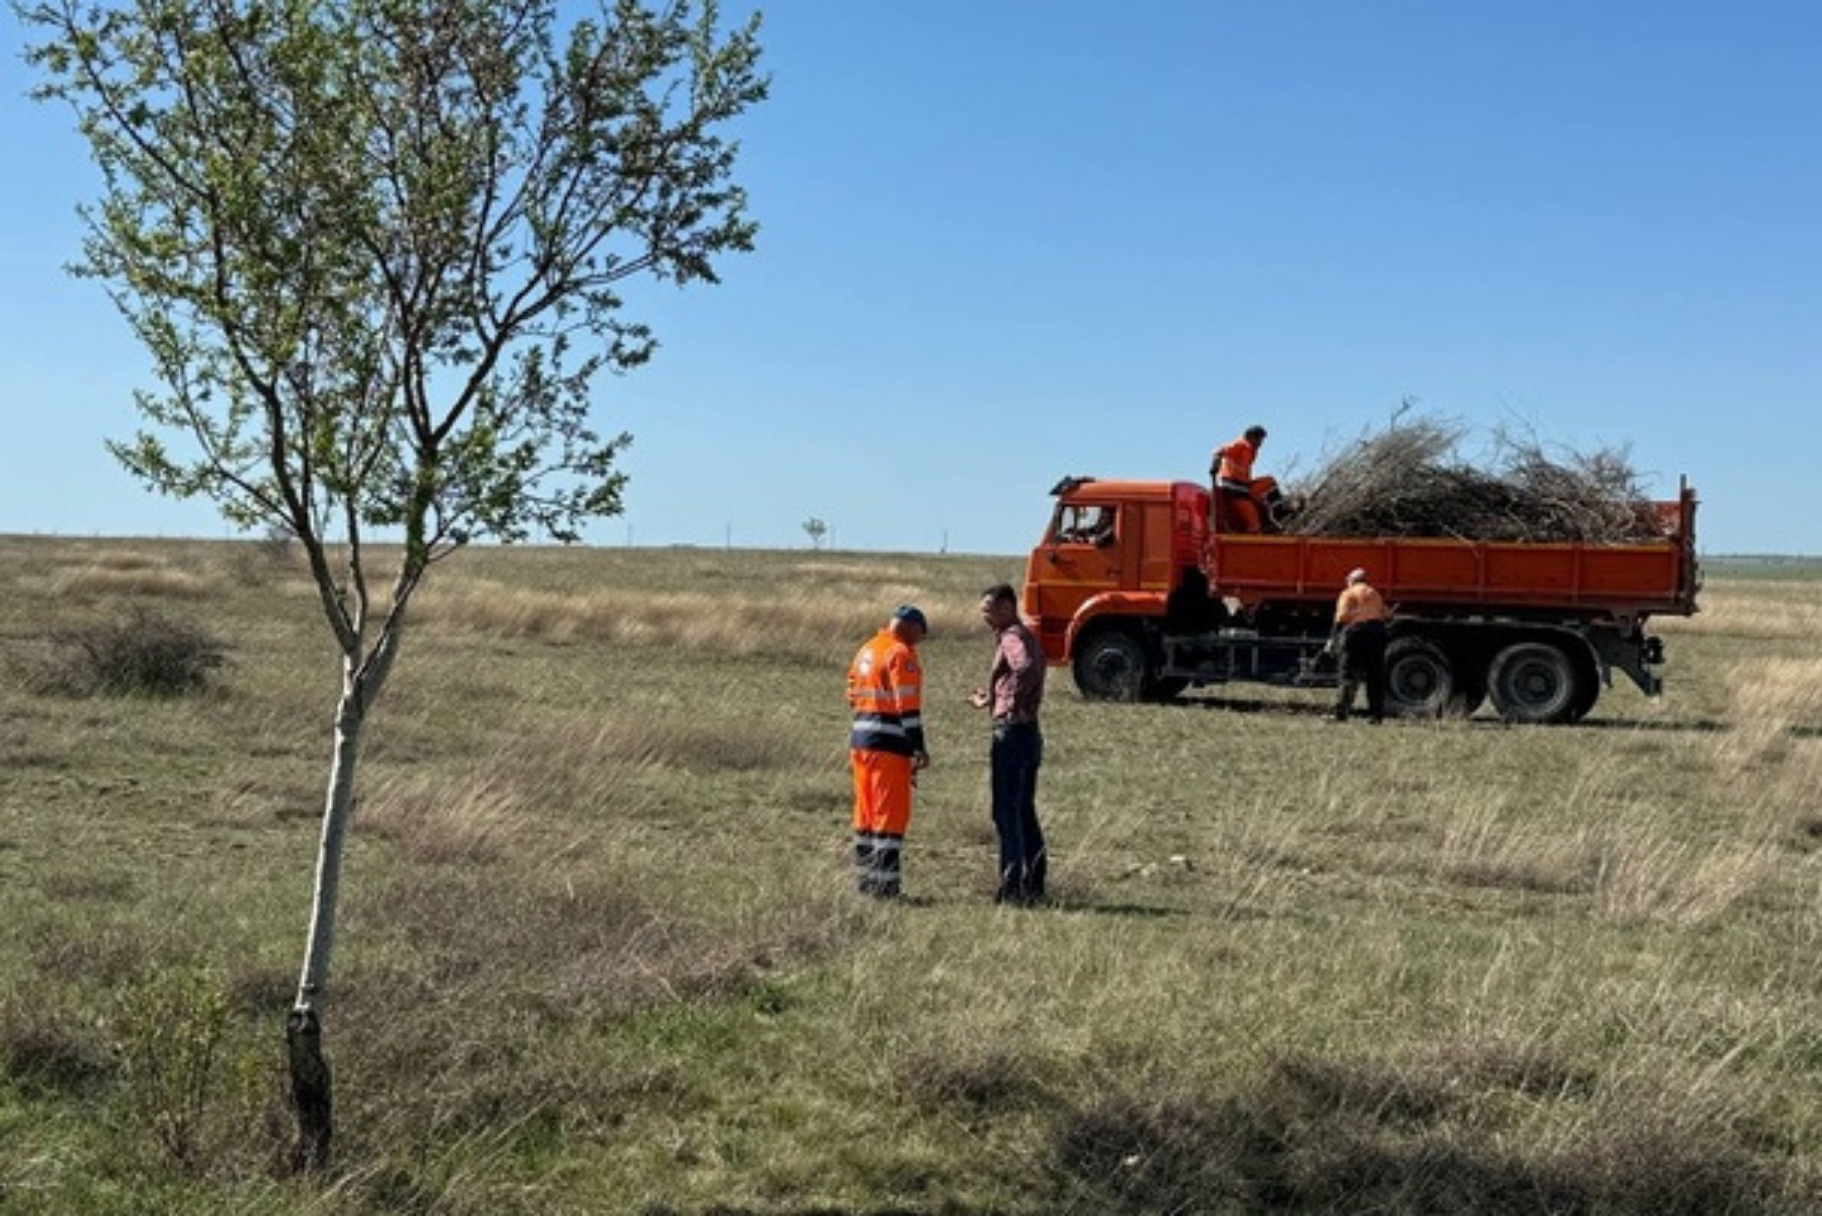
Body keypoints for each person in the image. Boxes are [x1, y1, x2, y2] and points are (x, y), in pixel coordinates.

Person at [968, 583, 1048, 905]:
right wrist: (994, 698)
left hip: (1012, 733)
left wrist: (1010, 705)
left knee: (1006, 813)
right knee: (1024, 810)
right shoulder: (1025, 634)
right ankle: (1034, 883)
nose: (984, 615)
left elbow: (1025, 668)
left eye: (988, 609)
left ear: (1006, 607)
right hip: (1029, 732)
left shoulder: (1012, 637)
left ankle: (1012, 888)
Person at [847, 604, 930, 898]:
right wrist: (918, 747)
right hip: (889, 748)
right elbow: (907, 707)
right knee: (889, 816)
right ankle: (886, 888)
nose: (919, 640)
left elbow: (851, 694)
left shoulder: (866, 650)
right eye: (920, 633)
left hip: (860, 744)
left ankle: (866, 884)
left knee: (865, 815)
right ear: (908, 626)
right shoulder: (900, 654)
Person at [1330, 568, 1392, 722]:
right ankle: (1376, 716)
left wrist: (1333, 639)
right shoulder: (1374, 593)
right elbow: (1387, 615)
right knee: (1374, 677)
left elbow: (1341, 618)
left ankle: (1341, 714)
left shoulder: (1348, 593)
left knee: (1348, 675)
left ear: (1352, 580)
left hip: (1356, 635)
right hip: (1377, 634)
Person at [1211, 425, 1269, 533]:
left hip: (1244, 487)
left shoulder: (1252, 450)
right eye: (1259, 439)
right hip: (1234, 489)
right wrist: (1215, 464)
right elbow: (1219, 451)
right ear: (1251, 437)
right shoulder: (1240, 444)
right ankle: (1251, 544)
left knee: (1269, 481)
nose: (1261, 443)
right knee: (1254, 522)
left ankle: (1279, 512)